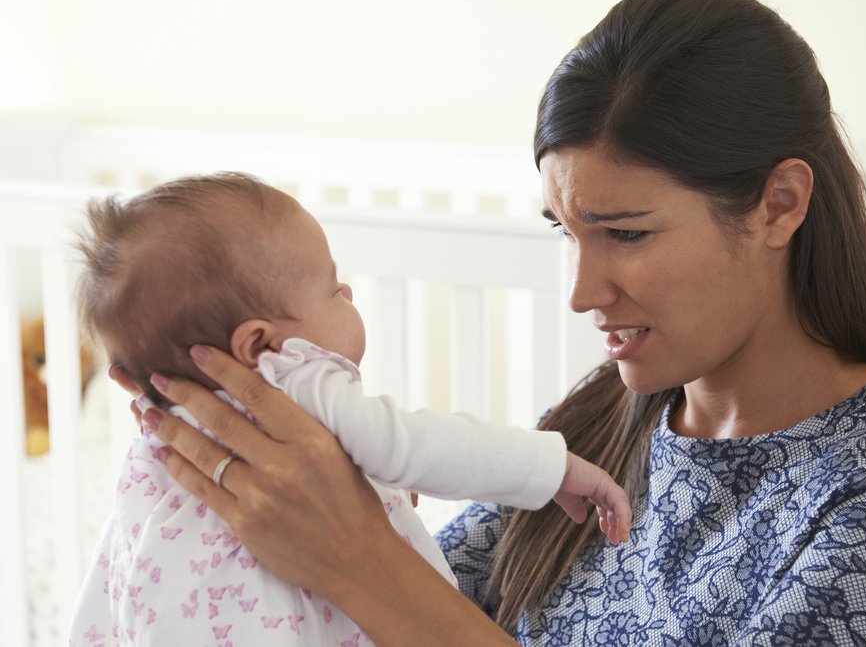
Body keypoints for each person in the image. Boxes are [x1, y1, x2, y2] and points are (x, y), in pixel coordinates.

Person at [121, 0, 866, 644]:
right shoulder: (608, 418)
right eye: (565, 232)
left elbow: (399, 599)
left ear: (780, 204)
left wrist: (360, 560)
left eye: (627, 234)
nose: (580, 291)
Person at [68, 173, 632, 646]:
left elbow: (103, 598)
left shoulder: (159, 441)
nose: (350, 296)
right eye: (334, 289)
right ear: (258, 345)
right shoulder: (290, 372)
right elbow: (424, 447)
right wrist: (551, 467)